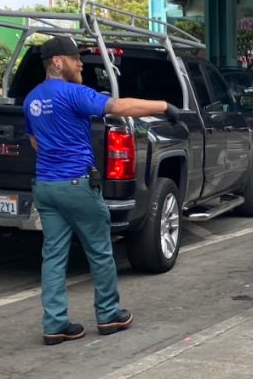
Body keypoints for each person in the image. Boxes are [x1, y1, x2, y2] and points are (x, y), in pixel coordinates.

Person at [23, 36, 179, 345]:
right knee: (100, 250)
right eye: (74, 58)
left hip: (46, 186)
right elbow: (118, 106)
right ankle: (108, 316)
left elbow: (35, 143)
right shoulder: (73, 93)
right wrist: (164, 106)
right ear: (58, 62)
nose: (81, 63)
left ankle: (55, 324)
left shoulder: (32, 99)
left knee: (53, 255)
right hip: (76, 185)